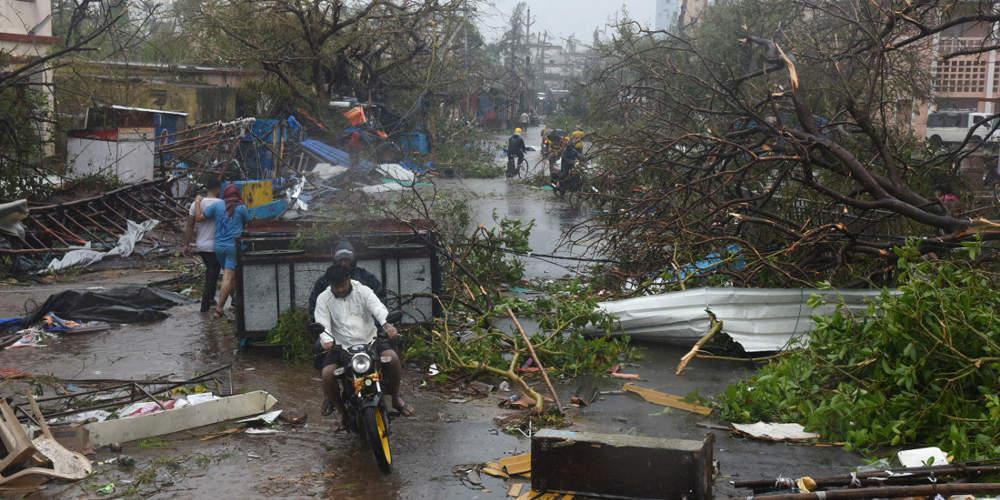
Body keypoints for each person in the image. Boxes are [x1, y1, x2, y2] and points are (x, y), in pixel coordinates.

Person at [315, 265, 414, 431]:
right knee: (327, 375)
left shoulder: (364, 291)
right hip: (341, 346)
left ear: (349, 279)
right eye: (335, 286)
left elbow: (378, 309)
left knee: (393, 358)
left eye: (342, 285)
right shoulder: (323, 299)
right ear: (330, 284)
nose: (339, 289)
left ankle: (396, 399)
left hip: (371, 340)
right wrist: (326, 340)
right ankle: (342, 413)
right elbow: (322, 323)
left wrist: (387, 325)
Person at [195, 184, 251, 318]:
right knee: (228, 277)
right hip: (233, 247)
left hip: (218, 247)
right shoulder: (241, 208)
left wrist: (197, 202)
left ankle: (237, 303)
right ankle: (219, 308)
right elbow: (248, 223)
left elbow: (199, 218)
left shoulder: (217, 206)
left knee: (231, 277)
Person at [308, 240, 385, 316]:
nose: (343, 263)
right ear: (335, 261)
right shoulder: (324, 281)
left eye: (346, 260)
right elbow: (314, 306)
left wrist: (375, 323)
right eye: (340, 260)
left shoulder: (366, 277)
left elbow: (380, 300)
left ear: (353, 261)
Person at [183, 177, 222, 313]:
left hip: (201, 245)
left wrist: (186, 245)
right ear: (218, 188)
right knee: (213, 273)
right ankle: (205, 306)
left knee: (212, 272)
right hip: (216, 245)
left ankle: (210, 302)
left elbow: (189, 225)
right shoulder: (221, 204)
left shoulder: (196, 204)